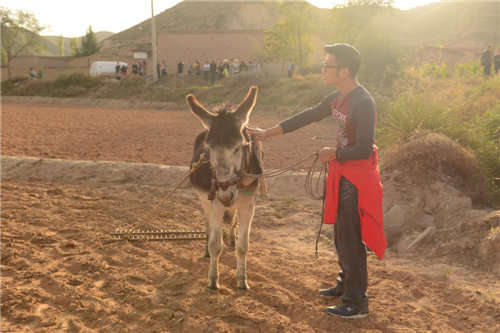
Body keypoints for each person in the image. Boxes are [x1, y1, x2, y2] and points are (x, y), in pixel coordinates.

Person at [247, 43, 386, 319]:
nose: (322, 70)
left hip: (358, 180)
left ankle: (356, 303)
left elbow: (365, 147)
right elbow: (309, 115)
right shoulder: (338, 97)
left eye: (327, 66)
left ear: (344, 71)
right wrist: (267, 133)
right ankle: (346, 284)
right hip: (343, 173)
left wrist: (333, 153)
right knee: (340, 235)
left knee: (350, 239)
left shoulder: (363, 103)